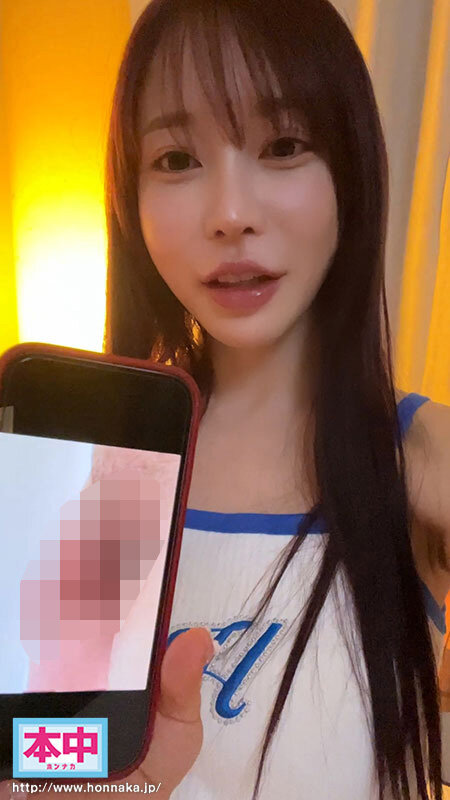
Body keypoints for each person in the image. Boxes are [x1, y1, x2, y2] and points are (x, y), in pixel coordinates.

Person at [8, 0, 449, 799]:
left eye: (284, 146)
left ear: (350, 169)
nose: (231, 215)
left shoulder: (417, 453)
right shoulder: (97, 467)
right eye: (177, 159)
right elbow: (59, 766)